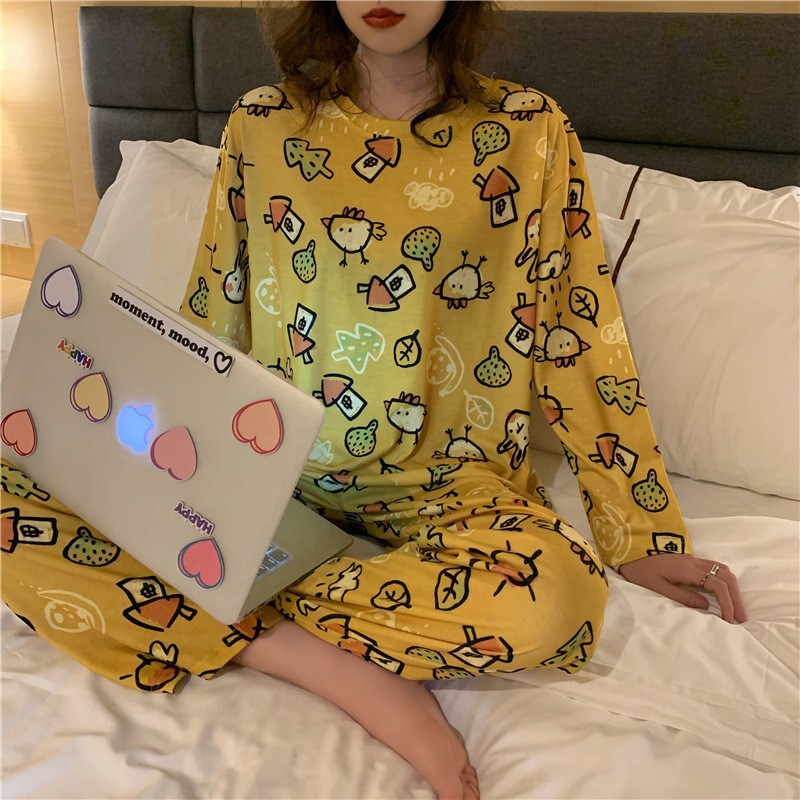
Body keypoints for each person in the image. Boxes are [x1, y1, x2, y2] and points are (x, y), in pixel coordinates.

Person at [1, 2, 746, 798]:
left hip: (451, 489)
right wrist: (145, 459)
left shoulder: (529, 131)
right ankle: (304, 655)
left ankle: (228, 606)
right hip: (272, 471)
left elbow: (575, 331)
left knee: (552, 599)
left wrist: (637, 530)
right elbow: (214, 317)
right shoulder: (262, 124)